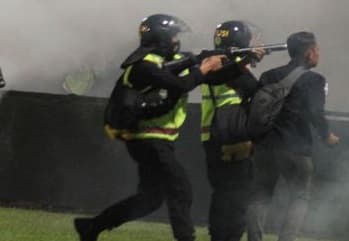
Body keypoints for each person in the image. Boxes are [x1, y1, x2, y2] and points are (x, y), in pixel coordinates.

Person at [73, 14, 233, 241]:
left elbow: (192, 73)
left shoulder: (159, 63)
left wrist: (235, 60)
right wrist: (204, 67)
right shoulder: (144, 66)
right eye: (175, 36)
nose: (178, 40)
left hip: (154, 140)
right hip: (149, 139)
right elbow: (181, 84)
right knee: (181, 189)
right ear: (163, 38)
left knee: (151, 199)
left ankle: (92, 226)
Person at [247, 31, 339, 241]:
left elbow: (255, 110)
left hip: (265, 145)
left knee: (261, 195)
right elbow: (315, 113)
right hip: (296, 148)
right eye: (316, 50)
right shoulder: (315, 80)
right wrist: (327, 136)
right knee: (299, 196)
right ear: (309, 53)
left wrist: (254, 140)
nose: (318, 54)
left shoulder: (268, 75)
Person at [201, 21, 265, 241]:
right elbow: (256, 91)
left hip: (212, 136)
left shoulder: (215, 61)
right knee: (238, 194)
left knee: (222, 193)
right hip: (232, 137)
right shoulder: (227, 65)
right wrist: (249, 60)